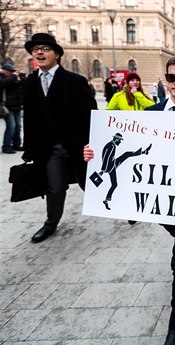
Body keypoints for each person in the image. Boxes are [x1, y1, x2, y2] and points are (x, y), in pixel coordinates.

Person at [85, 55, 175, 345]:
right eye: (171, 77)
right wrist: (92, 154)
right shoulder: (150, 113)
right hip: (157, 201)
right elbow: (122, 148)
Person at [21, 33, 97, 243]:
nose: (39, 52)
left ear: (57, 54)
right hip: (49, 149)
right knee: (54, 187)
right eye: (35, 49)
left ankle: (125, 210)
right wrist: (29, 148)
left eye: (44, 48)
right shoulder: (30, 82)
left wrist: (94, 143)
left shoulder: (75, 81)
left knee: (93, 184)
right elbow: (29, 118)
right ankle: (50, 224)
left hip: (78, 147)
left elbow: (91, 115)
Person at [1, 63, 24, 154]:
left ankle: (16, 145)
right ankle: (6, 146)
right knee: (11, 126)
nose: (12, 73)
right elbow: (4, 83)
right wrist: (14, 77)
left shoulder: (13, 79)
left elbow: (21, 89)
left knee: (18, 126)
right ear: (4, 71)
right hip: (6, 106)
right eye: (10, 71)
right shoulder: (2, 78)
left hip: (17, 105)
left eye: (13, 71)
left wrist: (19, 80)